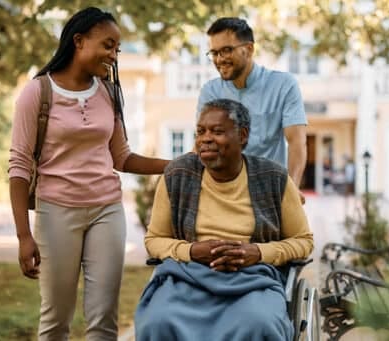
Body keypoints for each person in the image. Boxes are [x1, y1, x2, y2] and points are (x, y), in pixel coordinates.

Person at [7, 7, 168, 340]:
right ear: (79, 41)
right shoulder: (38, 92)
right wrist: (24, 236)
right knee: (56, 318)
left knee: (103, 319)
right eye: (107, 45)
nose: (113, 55)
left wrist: (176, 164)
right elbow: (19, 166)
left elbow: (122, 158)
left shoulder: (108, 93)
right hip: (56, 213)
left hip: (107, 211)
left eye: (117, 49)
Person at [135, 99, 314, 340]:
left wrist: (257, 252)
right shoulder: (177, 175)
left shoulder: (274, 178)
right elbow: (154, 239)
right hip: (187, 276)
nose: (205, 139)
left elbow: (303, 241)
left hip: (254, 279)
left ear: (242, 135)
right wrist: (192, 250)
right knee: (157, 321)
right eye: (201, 132)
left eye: (217, 131)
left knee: (259, 322)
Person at [197, 18, 308, 192]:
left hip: (269, 191)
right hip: (223, 192)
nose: (219, 59)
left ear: (248, 49)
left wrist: (291, 191)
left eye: (226, 50)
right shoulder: (210, 91)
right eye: (214, 53)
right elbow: (203, 145)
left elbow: (297, 142)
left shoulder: (283, 85)